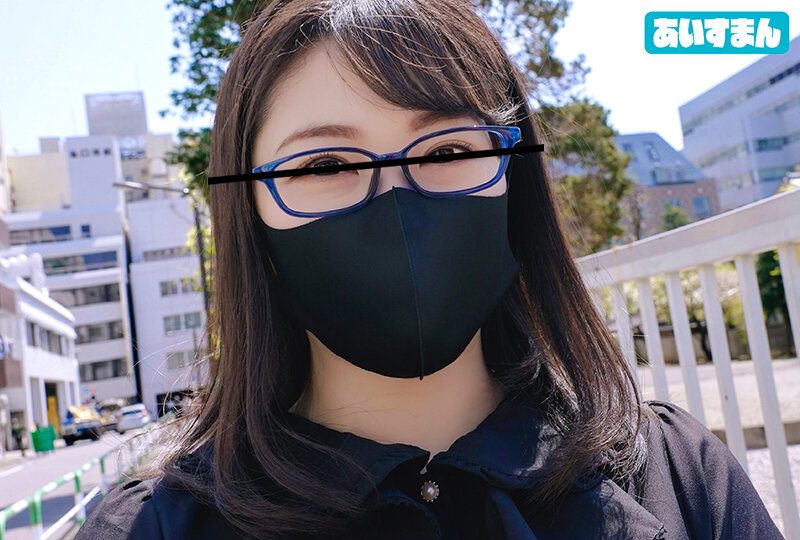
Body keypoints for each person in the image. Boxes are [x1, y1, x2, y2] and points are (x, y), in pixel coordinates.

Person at [75, 1, 784, 539]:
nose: (396, 202)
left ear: (514, 179)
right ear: (247, 212)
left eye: (446, 152)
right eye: (324, 165)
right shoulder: (150, 528)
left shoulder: (680, 475)